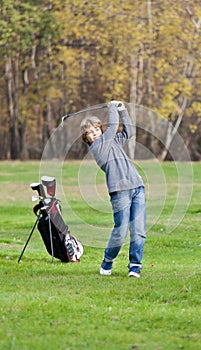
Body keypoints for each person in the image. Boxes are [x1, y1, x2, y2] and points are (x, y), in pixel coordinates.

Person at [80, 101, 146, 278]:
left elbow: (129, 131)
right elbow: (114, 126)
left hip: (137, 187)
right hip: (120, 193)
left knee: (139, 231)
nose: (94, 135)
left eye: (96, 130)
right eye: (90, 134)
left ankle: (135, 267)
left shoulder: (113, 141)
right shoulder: (98, 147)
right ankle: (107, 261)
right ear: (87, 139)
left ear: (100, 130)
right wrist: (112, 107)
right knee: (121, 231)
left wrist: (122, 109)